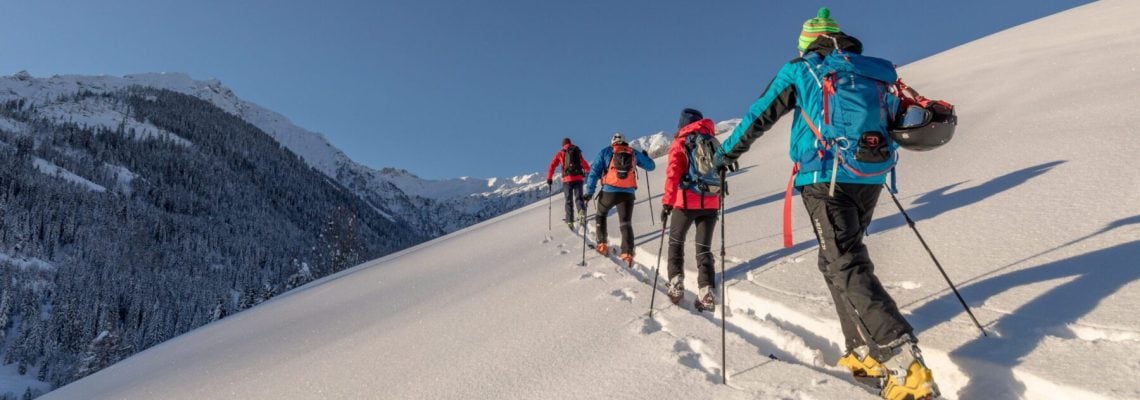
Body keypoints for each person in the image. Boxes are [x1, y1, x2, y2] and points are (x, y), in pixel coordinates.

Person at [715, 8, 938, 400]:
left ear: (807, 43)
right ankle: (861, 350)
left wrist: (725, 155)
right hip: (870, 174)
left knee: (844, 260)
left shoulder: (802, 68)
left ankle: (903, 359)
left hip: (824, 175)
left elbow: (758, 114)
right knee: (834, 258)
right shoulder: (870, 69)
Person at [660, 108, 719, 312]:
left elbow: (672, 174)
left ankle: (676, 283)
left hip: (685, 202)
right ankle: (706, 292)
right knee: (704, 248)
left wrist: (667, 202)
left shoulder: (681, 142)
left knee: (676, 242)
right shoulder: (712, 140)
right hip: (711, 202)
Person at [582, 132, 655, 265]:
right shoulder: (632, 152)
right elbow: (651, 167)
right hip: (628, 193)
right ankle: (627, 253)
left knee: (601, 215)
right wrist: (645, 156)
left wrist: (589, 192)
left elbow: (594, 173)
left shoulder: (605, 152)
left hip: (609, 191)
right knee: (625, 222)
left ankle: (602, 244)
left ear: (612, 142)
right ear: (624, 141)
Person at [546, 138, 590, 229]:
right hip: (578, 178)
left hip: (567, 180)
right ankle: (581, 212)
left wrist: (549, 178)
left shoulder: (561, 152)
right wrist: (588, 171)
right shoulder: (576, 151)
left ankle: (569, 220)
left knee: (568, 200)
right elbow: (583, 162)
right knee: (579, 198)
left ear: (563, 144)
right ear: (570, 143)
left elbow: (552, 165)